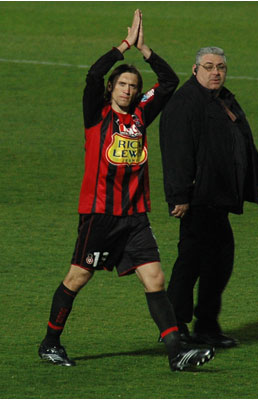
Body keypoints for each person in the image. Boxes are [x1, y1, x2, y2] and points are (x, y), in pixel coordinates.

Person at [38, 10, 215, 371]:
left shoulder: (140, 115)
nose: (129, 90)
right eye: (123, 85)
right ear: (112, 88)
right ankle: (50, 342)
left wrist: (145, 49)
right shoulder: (96, 114)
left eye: (134, 86)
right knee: (78, 277)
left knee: (155, 278)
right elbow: (92, 74)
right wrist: (123, 46)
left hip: (134, 216)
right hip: (99, 215)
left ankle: (176, 353)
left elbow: (168, 81)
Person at [159, 46, 258, 348]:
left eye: (221, 67)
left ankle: (206, 327)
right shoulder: (184, 104)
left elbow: (244, 142)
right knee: (191, 262)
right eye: (210, 66)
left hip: (219, 197)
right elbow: (175, 155)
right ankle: (176, 328)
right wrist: (179, 197)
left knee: (218, 262)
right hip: (197, 199)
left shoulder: (225, 99)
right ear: (195, 69)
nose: (216, 72)